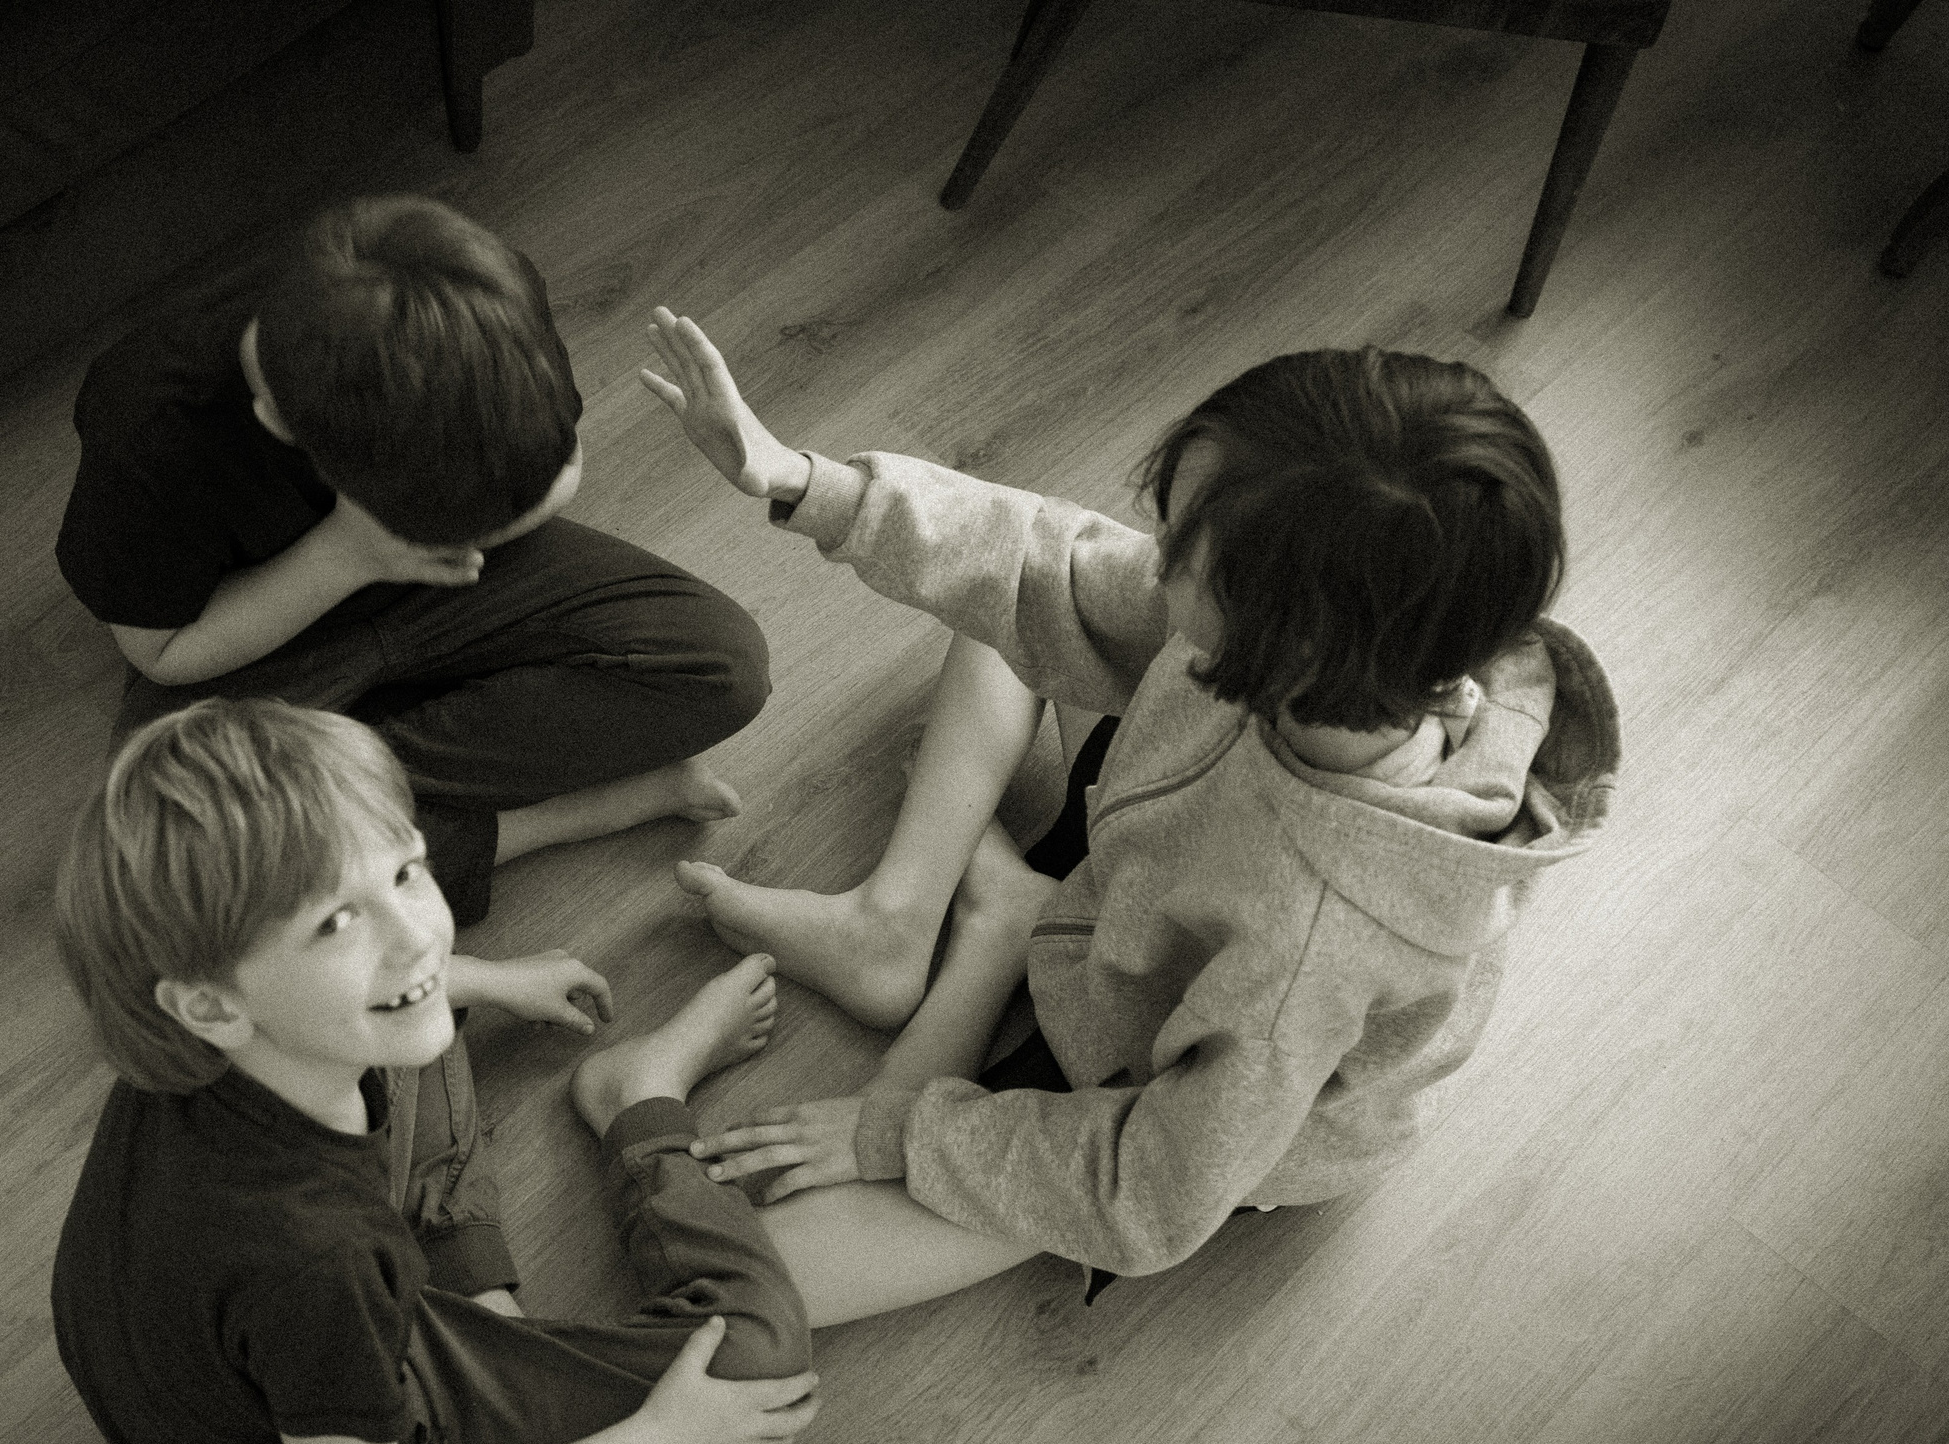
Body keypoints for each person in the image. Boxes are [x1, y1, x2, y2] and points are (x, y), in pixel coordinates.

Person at [636, 309, 1620, 1324]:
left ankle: (996, 931)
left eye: (1182, 552)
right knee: (1017, 602)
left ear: (1277, 648)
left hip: (1168, 1098)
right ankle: (902, 923)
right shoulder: (1358, 650)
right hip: (1150, 872)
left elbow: (1153, 1190)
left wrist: (901, 1133)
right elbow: (1047, 566)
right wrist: (804, 483)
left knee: (742, 1287)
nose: (1155, 554)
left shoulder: (1312, 951)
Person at [47, 697, 816, 1444]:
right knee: (761, 1356)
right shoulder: (317, 1261)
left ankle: (472, 1302)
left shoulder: (196, 1043)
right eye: (336, 922)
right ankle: (642, 1100)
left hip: (235, 1348)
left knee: (419, 1018)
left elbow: (380, 984)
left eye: (407, 871)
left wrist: (476, 980)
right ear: (211, 1005)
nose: (418, 933)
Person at [54, 196, 770, 928]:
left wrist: (454, 532)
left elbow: (558, 471)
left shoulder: (476, 305)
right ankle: (549, 819)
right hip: (265, 622)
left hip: (460, 571)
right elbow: (161, 651)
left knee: (723, 668)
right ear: (278, 422)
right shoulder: (147, 428)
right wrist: (349, 553)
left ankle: (316, 798)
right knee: (162, 862)